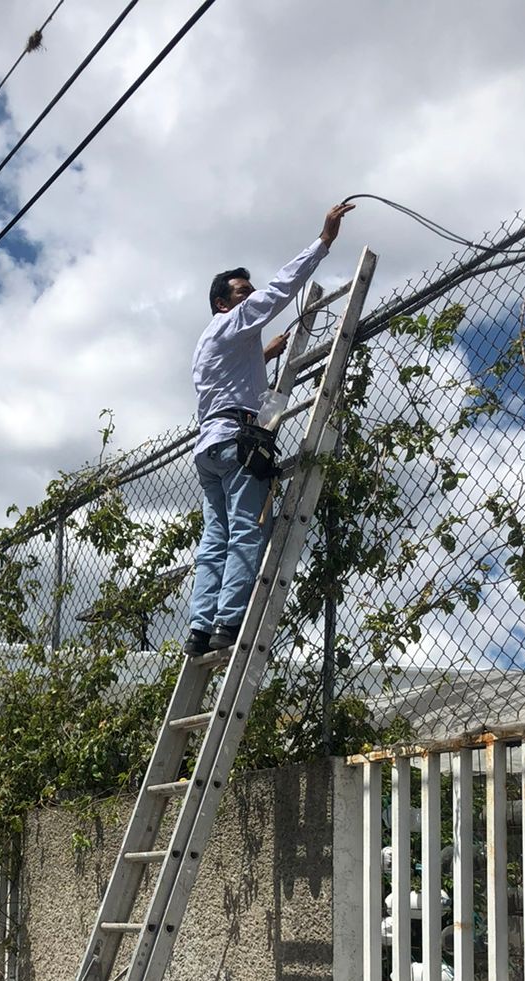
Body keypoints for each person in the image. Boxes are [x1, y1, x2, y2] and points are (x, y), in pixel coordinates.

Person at [185, 201, 355, 657]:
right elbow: (279, 290)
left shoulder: (210, 343)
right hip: (237, 442)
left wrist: (265, 356)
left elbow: (226, 384)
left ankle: (200, 627)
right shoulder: (232, 320)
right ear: (222, 303)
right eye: (242, 292)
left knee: (215, 538)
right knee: (245, 531)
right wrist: (323, 243)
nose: (250, 295)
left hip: (211, 445)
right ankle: (227, 623)